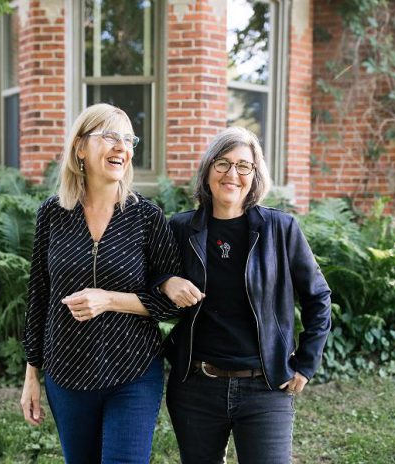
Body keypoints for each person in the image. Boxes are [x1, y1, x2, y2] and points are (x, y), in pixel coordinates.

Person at [20, 103, 183, 464]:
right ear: (80, 147)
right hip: (67, 370)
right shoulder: (52, 213)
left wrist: (109, 299)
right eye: (110, 136)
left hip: (134, 370)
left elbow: (170, 302)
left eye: (128, 139)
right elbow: (39, 295)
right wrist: (32, 374)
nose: (122, 147)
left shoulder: (147, 216)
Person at [159, 127, 332, 464]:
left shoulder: (280, 229)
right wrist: (167, 282)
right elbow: (150, 279)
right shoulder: (180, 229)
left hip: (266, 386)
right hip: (196, 386)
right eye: (222, 164)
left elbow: (318, 296)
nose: (232, 174)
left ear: (255, 175)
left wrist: (306, 364)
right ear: (208, 170)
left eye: (243, 166)